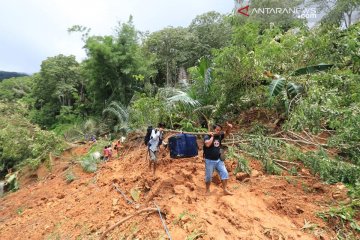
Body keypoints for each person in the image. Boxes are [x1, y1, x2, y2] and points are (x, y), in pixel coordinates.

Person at [203, 122, 233, 195]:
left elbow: (227, 133)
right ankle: (207, 190)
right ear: (214, 129)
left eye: (219, 130)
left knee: (225, 173)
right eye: (217, 130)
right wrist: (212, 136)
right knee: (209, 176)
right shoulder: (207, 136)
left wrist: (229, 127)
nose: (218, 131)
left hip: (218, 159)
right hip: (209, 160)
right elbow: (207, 144)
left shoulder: (220, 136)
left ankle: (225, 190)